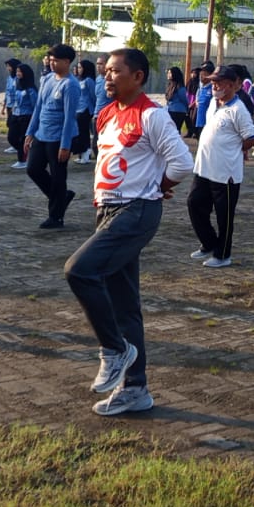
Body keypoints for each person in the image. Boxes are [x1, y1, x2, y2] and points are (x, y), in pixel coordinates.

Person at [64, 47, 194, 416]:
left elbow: (182, 163)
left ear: (138, 77)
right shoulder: (107, 113)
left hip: (136, 211)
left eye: (115, 71)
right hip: (107, 211)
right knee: (125, 304)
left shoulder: (152, 115)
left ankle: (115, 349)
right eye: (105, 70)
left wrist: (159, 186)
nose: (107, 76)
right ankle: (135, 389)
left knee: (79, 270)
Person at [188, 64, 254, 268]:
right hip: (204, 168)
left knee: (224, 215)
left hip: (225, 172)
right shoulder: (213, 103)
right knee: (194, 203)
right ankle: (209, 243)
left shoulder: (238, 109)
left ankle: (223, 255)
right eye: (213, 81)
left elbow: (252, 137)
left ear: (230, 84)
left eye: (218, 82)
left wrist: (236, 149)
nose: (214, 85)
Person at [25, 43, 79, 227]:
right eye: (51, 60)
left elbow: (69, 117)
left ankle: (56, 217)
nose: (52, 63)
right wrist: (30, 132)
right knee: (33, 169)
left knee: (58, 176)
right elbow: (38, 107)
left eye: (56, 60)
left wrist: (65, 145)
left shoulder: (70, 85)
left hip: (58, 137)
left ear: (67, 62)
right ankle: (61, 197)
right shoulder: (48, 79)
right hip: (42, 133)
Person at [7, 62, 36, 169]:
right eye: (17, 71)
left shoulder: (30, 89)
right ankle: (25, 151)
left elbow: (35, 105)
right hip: (16, 114)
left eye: (20, 71)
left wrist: (34, 119)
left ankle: (22, 160)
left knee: (23, 139)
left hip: (26, 116)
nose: (17, 73)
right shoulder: (18, 85)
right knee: (11, 137)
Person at [73, 58, 98, 164]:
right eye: (78, 67)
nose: (78, 69)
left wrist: (93, 109)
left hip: (85, 109)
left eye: (80, 67)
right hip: (77, 108)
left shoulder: (89, 81)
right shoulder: (78, 80)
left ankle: (86, 154)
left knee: (84, 132)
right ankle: (81, 153)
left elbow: (93, 95)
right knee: (79, 132)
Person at [164, 66, 189, 133]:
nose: (168, 74)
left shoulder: (180, 86)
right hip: (170, 110)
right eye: (168, 73)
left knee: (175, 130)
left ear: (174, 74)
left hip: (178, 112)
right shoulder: (170, 85)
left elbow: (184, 99)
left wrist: (187, 108)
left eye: (170, 73)